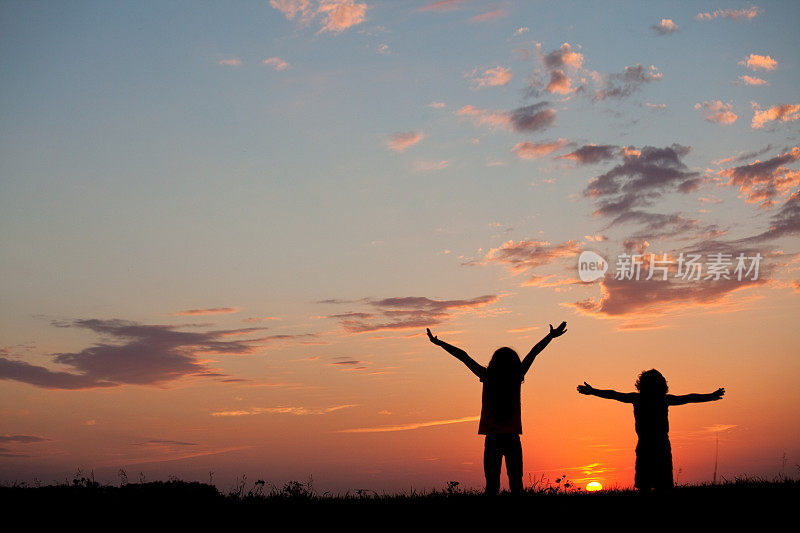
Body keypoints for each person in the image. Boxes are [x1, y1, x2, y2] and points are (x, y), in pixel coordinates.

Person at [426, 322, 567, 495]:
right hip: (512, 438)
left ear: (494, 361)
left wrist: (440, 343)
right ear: (514, 362)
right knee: (516, 485)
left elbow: (463, 356)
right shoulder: (516, 375)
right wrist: (550, 337)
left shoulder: (488, 375)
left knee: (492, 486)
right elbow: (534, 353)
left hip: (492, 439)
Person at [577, 369, 725, 492]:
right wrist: (593, 391)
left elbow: (689, 398)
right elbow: (613, 394)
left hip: (656, 445)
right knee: (651, 483)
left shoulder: (651, 399)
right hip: (651, 445)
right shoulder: (649, 399)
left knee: (657, 484)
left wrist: (711, 396)